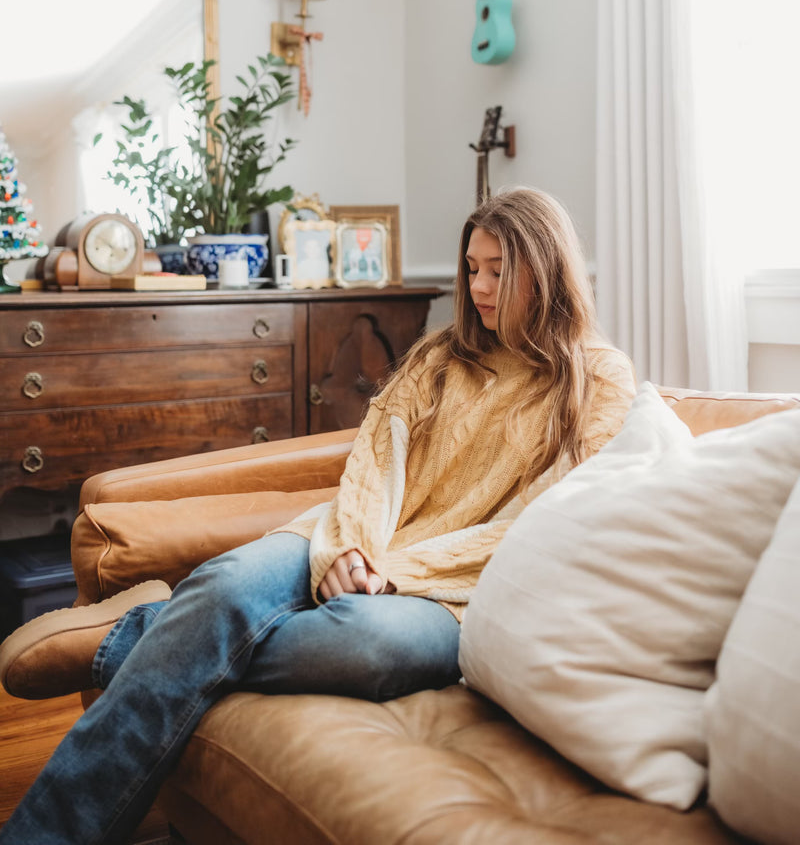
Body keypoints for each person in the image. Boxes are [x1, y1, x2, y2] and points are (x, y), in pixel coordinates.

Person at [0, 187, 635, 845]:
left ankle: (143, 631)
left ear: (547, 265)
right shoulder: (442, 356)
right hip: (349, 536)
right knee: (225, 585)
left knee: (364, 646)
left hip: (453, 590)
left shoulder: (598, 379)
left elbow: (550, 518)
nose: (478, 285)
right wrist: (351, 548)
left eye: (499, 270)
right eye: (472, 267)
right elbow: (374, 459)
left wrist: (394, 571)